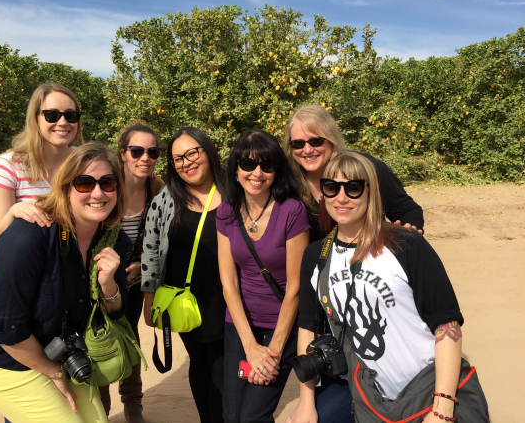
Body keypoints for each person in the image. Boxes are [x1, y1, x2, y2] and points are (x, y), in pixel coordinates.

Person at [0, 142, 131, 423]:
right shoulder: (29, 237)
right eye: (84, 183)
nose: (98, 193)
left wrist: (108, 285)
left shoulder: (113, 238)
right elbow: (4, 327)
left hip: (54, 348)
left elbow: (117, 311)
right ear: (65, 188)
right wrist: (54, 373)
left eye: (108, 183)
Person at [288, 152, 464, 423]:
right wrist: (306, 402)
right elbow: (307, 327)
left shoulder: (406, 245)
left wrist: (443, 406)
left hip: (421, 386)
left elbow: (447, 325)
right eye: (332, 188)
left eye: (354, 188)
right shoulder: (316, 255)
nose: (341, 197)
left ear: (371, 193)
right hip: (359, 388)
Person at [217, 128, 310, 423]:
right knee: (232, 416)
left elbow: (295, 287)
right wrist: (250, 347)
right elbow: (228, 283)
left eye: (266, 165)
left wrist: (272, 352)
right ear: (235, 169)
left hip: (282, 327)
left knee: (253, 416)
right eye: (248, 164)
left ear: (276, 171)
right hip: (241, 325)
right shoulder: (225, 212)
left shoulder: (292, 211)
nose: (257, 172)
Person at [141, 127, 227, 423]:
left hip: (228, 297)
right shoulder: (167, 196)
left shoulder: (233, 190)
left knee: (223, 366)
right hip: (184, 298)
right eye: (178, 158)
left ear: (208, 151)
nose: (186, 162)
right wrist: (148, 299)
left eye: (193, 153)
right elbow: (151, 249)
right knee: (200, 362)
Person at [99, 122, 164, 422]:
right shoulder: (105, 184)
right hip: (98, 283)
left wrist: (141, 265)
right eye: (136, 150)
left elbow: (161, 238)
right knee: (97, 340)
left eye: (153, 152)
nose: (145, 158)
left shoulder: (157, 188)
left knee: (130, 338)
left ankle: (133, 408)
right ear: (122, 153)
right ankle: (100, 409)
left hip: (134, 283)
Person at [283, 104, 423, 241]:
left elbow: (408, 211)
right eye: (298, 143)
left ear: (331, 139)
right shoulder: (287, 182)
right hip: (313, 263)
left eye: (316, 141)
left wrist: (408, 234)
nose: (307, 150)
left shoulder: (366, 168)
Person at [0, 82, 83, 249]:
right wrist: (13, 213)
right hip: (25, 267)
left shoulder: (85, 162)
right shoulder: (8, 165)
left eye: (71, 115)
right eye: (52, 115)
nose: (63, 122)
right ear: (35, 119)